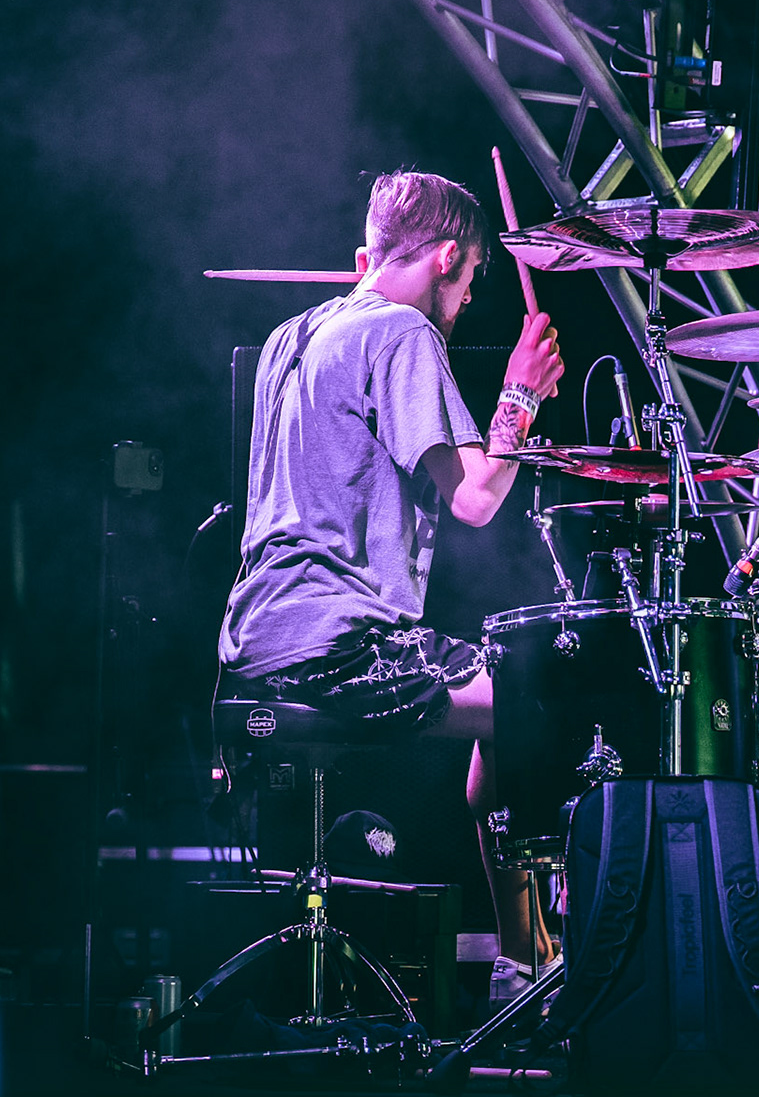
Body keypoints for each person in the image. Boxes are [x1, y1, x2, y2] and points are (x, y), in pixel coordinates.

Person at [218, 168, 565, 1004]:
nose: (468, 299)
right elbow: (476, 499)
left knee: (505, 696)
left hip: (254, 636)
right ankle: (529, 967)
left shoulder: (291, 335)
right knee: (540, 702)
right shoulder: (402, 332)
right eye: (472, 279)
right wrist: (522, 395)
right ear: (447, 257)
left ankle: (527, 958)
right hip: (338, 642)